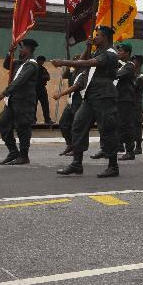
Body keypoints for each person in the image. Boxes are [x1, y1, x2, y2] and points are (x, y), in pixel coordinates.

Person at [53, 25, 121, 178]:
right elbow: (84, 60)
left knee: (107, 130)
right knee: (77, 125)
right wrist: (88, 47)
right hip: (91, 97)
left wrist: (64, 62)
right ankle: (77, 164)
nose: (94, 37)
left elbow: (88, 63)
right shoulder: (99, 51)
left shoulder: (110, 54)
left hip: (104, 97)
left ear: (105, 38)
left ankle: (113, 166)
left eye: (97, 36)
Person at [0, 39, 40, 165]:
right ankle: (13, 151)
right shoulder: (20, 63)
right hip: (13, 101)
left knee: (23, 128)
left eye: (22, 48)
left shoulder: (32, 65)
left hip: (24, 102)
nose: (20, 50)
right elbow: (6, 65)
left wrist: (4, 93)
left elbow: (19, 81)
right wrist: (10, 52)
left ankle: (24, 156)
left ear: (29, 49)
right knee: (3, 124)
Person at [114, 42, 138, 161]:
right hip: (118, 99)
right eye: (118, 50)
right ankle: (119, 146)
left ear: (127, 53)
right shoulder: (121, 65)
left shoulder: (130, 66)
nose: (119, 52)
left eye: (121, 51)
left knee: (126, 125)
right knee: (118, 125)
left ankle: (130, 151)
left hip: (125, 100)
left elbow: (118, 75)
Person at [131, 55, 143, 155]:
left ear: (139, 63)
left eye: (134, 61)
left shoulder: (141, 77)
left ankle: (138, 147)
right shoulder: (132, 74)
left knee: (136, 126)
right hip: (129, 104)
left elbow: (134, 87)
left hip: (136, 104)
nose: (132, 63)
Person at [34, 55, 53, 125]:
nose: (42, 62)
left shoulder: (43, 69)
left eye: (43, 61)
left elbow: (48, 77)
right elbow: (46, 77)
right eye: (41, 61)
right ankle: (34, 120)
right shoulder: (34, 68)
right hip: (35, 88)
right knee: (34, 105)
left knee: (45, 105)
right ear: (38, 61)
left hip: (41, 88)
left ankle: (47, 120)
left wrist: (44, 77)